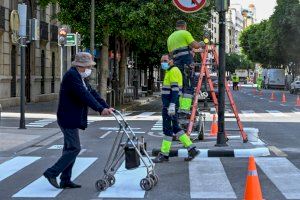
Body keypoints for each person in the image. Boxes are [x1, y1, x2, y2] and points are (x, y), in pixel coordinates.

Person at [43, 52, 113, 189]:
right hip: (67, 118)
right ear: (81, 66)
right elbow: (84, 95)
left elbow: (92, 93)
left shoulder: (80, 77)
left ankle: (65, 180)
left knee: (69, 149)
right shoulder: (72, 76)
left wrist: (105, 106)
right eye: (88, 66)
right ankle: (51, 173)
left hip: (71, 117)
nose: (90, 69)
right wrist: (99, 109)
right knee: (75, 148)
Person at [152, 55, 199, 163]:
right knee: (175, 128)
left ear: (171, 61)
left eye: (165, 60)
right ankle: (191, 149)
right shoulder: (171, 71)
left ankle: (164, 154)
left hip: (169, 105)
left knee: (167, 129)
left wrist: (172, 104)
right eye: (161, 61)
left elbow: (175, 90)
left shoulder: (173, 71)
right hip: (170, 105)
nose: (163, 63)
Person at [167, 20, 203, 115]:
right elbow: (196, 45)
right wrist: (202, 43)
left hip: (176, 65)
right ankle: (185, 108)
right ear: (184, 26)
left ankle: (179, 108)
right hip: (186, 63)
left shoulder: (170, 37)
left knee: (180, 86)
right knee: (189, 86)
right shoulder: (185, 33)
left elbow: (171, 54)